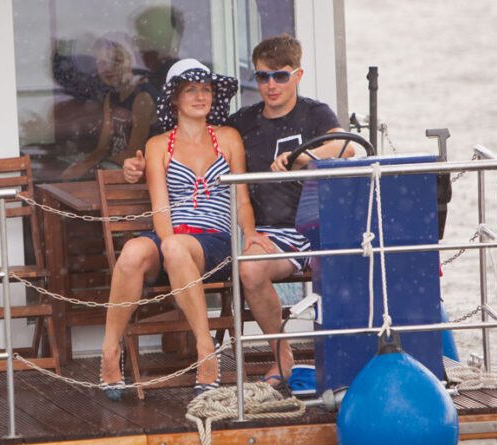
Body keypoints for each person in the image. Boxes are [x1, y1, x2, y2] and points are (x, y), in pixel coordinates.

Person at [123, 35, 353, 389]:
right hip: (255, 231)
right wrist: (139, 167)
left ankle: (284, 356)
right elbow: (190, 138)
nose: (271, 85)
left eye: (280, 76)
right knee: (248, 265)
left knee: (249, 267)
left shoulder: (314, 113)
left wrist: (305, 157)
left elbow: (347, 146)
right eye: (263, 77)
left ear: (298, 75)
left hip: (306, 229)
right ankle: (283, 355)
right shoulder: (242, 123)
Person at [101, 58, 258, 401]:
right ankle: (110, 352)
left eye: (205, 89)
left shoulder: (228, 138)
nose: (200, 96)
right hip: (173, 237)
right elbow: (160, 207)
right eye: (191, 90)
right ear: (174, 99)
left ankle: (206, 351)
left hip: (214, 241)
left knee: (174, 248)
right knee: (132, 253)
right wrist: (169, 246)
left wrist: (252, 235)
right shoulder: (159, 145)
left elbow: (242, 198)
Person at [61, 35, 157, 182]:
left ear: (131, 60)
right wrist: (83, 165)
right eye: (102, 63)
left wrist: (92, 167)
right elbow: (103, 147)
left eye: (116, 60)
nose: (108, 68)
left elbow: (133, 154)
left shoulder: (142, 97)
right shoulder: (111, 97)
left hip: (136, 175)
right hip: (113, 165)